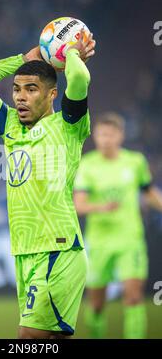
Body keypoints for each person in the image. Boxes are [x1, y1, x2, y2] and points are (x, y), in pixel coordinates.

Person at [0, 30, 96, 339]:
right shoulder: (9, 124)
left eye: (31, 89)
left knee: (28, 340)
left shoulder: (69, 126)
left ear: (51, 95)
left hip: (56, 249)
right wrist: (23, 60)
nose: (20, 97)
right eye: (16, 89)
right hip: (26, 253)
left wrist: (69, 53)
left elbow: (79, 80)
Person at [74, 112, 162, 339]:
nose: (106, 139)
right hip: (99, 241)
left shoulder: (135, 162)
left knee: (133, 297)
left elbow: (149, 192)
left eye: (111, 134)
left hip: (130, 238)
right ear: (96, 136)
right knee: (96, 304)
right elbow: (79, 205)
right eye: (102, 134)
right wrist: (101, 207)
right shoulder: (87, 164)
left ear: (120, 136)